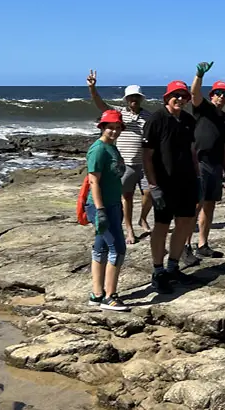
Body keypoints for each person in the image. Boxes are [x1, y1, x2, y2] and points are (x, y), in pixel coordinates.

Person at [143, 80, 200, 293]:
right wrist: (153, 186)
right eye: (176, 95)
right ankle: (158, 272)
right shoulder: (156, 119)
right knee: (162, 225)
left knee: (185, 222)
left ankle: (173, 267)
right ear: (167, 97)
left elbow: (192, 151)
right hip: (164, 183)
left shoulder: (187, 120)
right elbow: (147, 156)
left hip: (186, 181)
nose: (181, 99)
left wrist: (198, 177)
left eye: (184, 96)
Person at [87, 70, 153, 244]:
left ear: (141, 98)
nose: (134, 100)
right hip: (125, 164)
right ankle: (130, 229)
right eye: (131, 97)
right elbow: (100, 104)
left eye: (137, 97)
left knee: (150, 193)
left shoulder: (148, 116)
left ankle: (143, 218)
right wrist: (93, 88)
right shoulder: (118, 114)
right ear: (126, 99)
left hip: (145, 163)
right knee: (127, 197)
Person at [185, 61, 225, 262]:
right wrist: (199, 75)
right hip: (199, 162)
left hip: (215, 165)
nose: (221, 97)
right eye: (218, 93)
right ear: (212, 95)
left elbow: (224, 147)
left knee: (210, 206)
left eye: (224, 94)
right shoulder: (203, 109)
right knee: (195, 205)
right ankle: (185, 246)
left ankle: (202, 244)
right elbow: (194, 93)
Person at [84, 109, 130, 311]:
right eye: (110, 127)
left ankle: (96, 294)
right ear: (102, 127)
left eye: (117, 127)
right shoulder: (98, 150)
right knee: (118, 248)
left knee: (101, 248)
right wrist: (100, 210)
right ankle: (110, 297)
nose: (114, 131)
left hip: (112, 204)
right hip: (100, 206)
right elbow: (93, 181)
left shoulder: (113, 148)